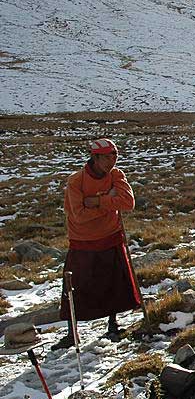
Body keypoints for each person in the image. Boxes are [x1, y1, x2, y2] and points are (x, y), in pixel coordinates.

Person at [53, 138, 141, 349]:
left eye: (115, 156)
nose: (112, 161)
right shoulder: (76, 181)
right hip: (83, 241)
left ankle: (113, 325)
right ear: (95, 157)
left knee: (113, 283)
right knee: (75, 287)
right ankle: (71, 333)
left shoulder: (116, 175)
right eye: (108, 157)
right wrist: (110, 201)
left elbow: (128, 203)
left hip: (110, 236)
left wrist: (97, 201)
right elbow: (80, 215)